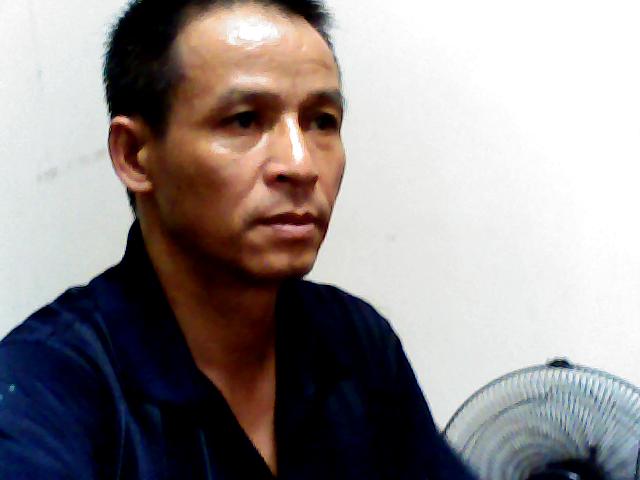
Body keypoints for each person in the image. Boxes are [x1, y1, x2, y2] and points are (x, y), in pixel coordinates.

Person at [0, 1, 476, 478]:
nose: (301, 164)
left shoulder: (354, 343)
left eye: (321, 121)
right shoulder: (44, 386)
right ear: (134, 155)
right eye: (245, 120)